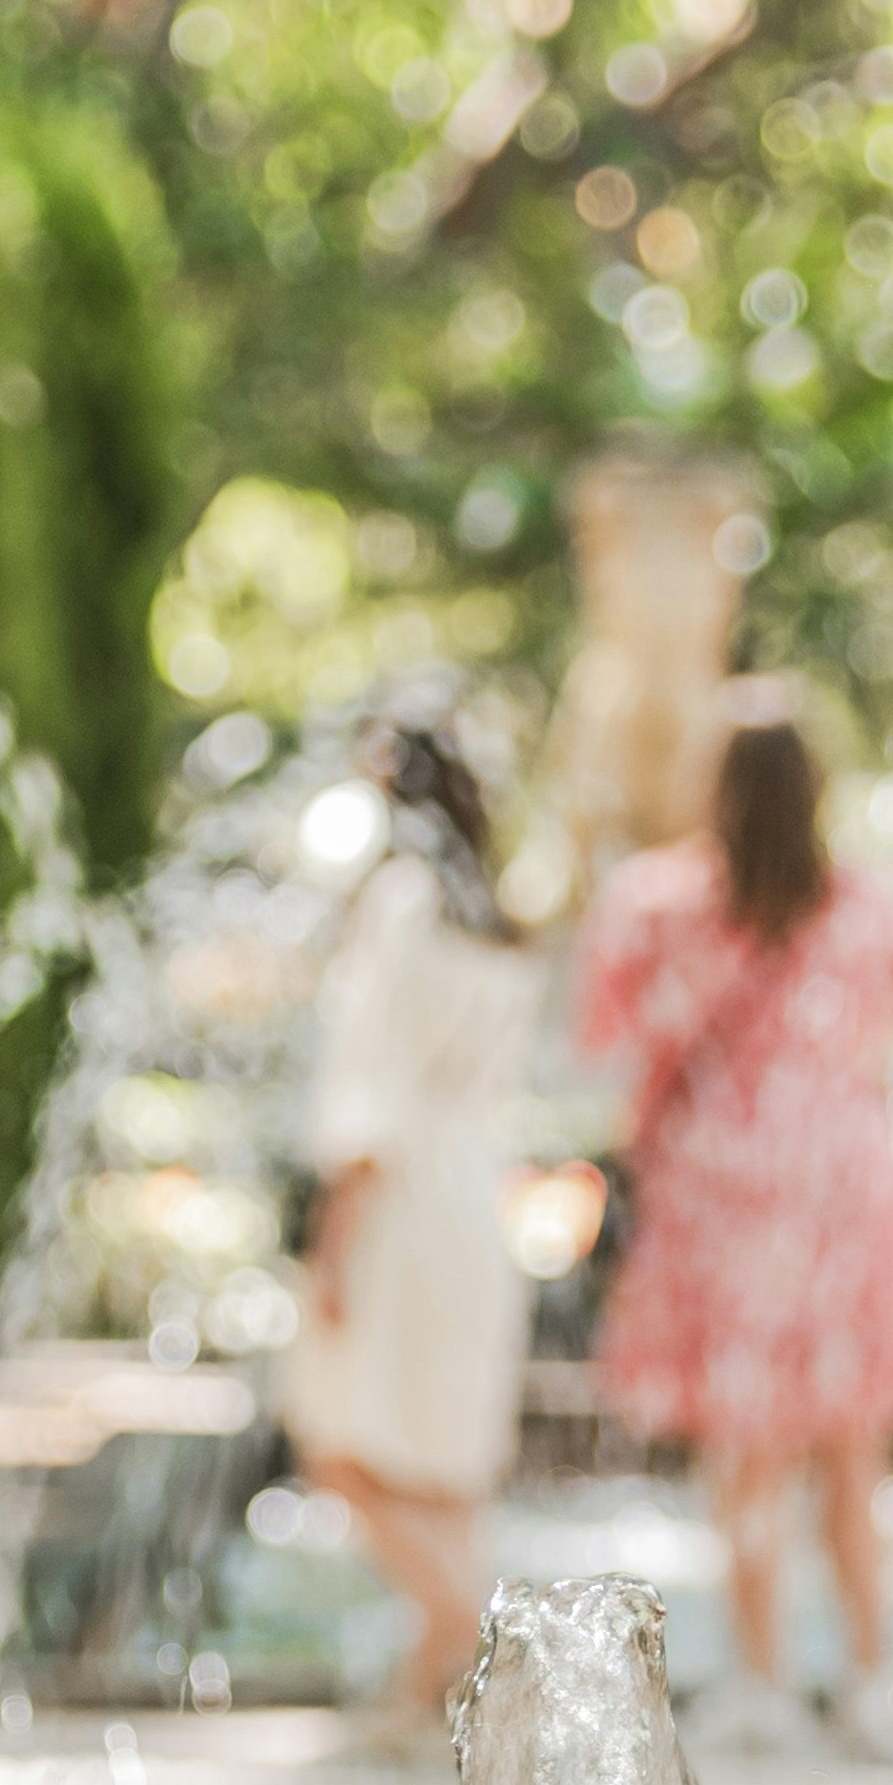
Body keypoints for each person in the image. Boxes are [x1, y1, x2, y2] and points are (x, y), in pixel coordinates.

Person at [575, 684, 893, 1744]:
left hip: (720, 1190)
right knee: (850, 1449)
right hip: (843, 1182)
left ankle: (762, 1679)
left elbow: (607, 1036)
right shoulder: (873, 905)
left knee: (744, 1444)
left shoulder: (659, 904)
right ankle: (875, 1677)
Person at [280, 709, 535, 1729]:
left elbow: (369, 1082)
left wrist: (332, 1240)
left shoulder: (402, 901)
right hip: (479, 1196)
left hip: (399, 1199)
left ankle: (476, 1633)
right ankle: (435, 1690)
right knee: (441, 1463)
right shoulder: (497, 919)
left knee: (337, 1439)